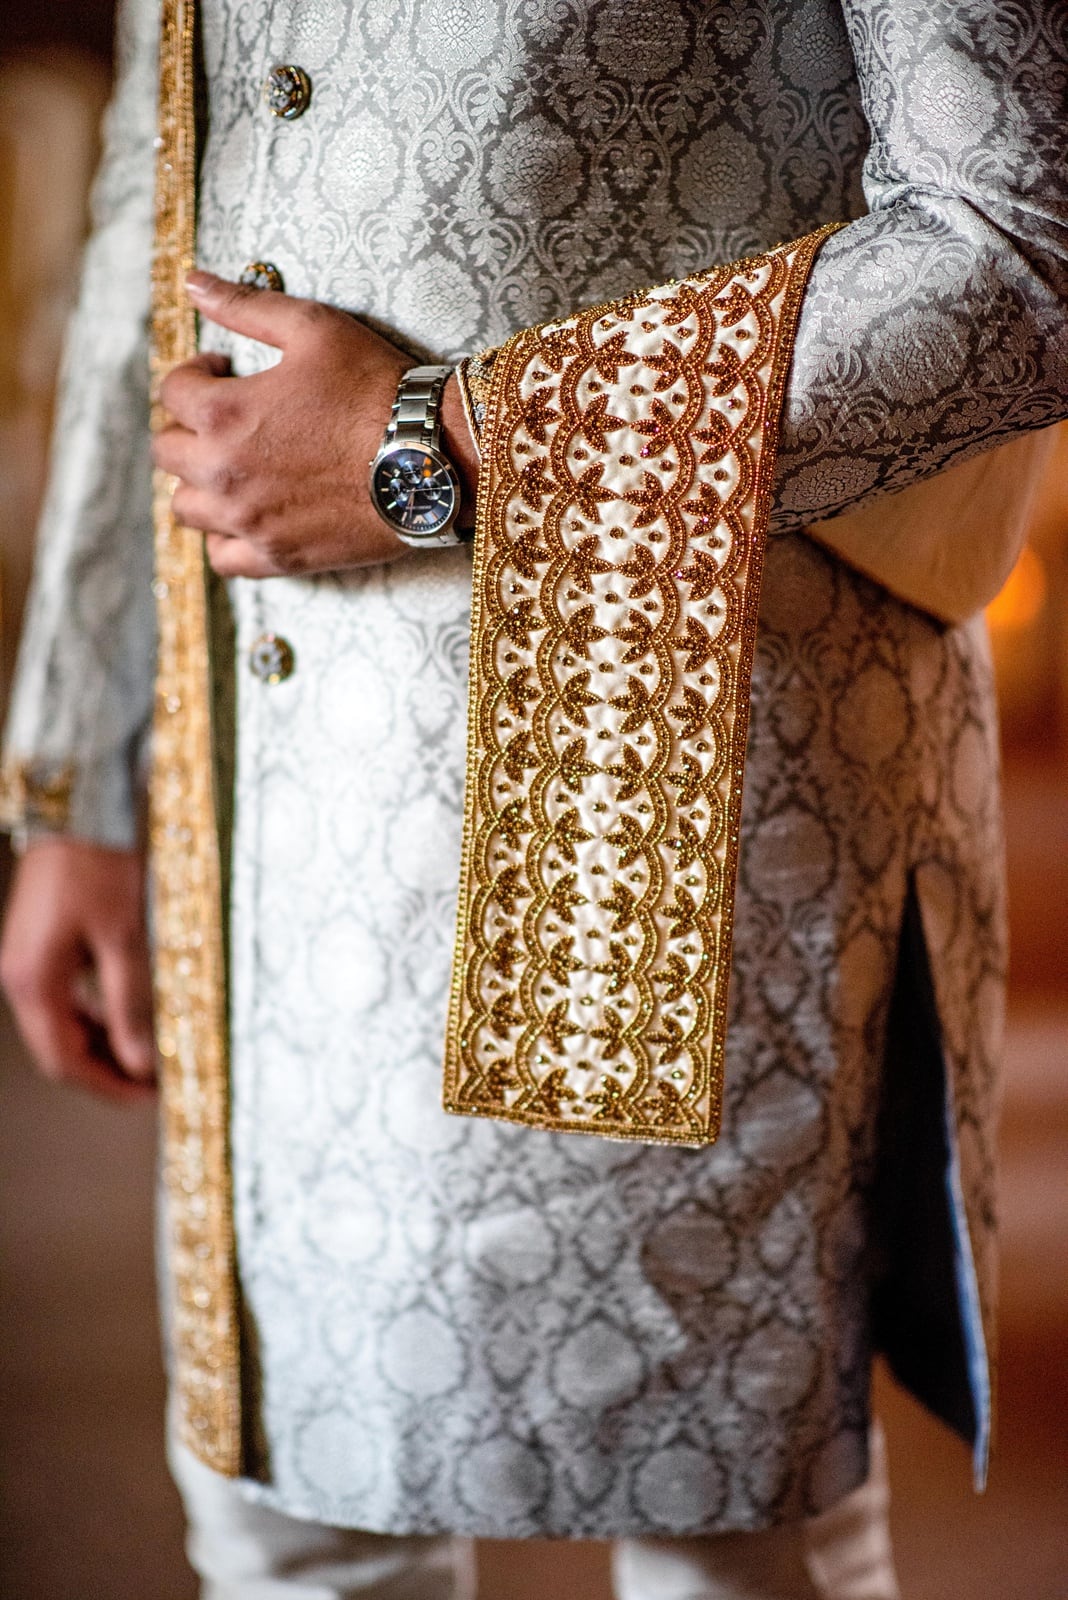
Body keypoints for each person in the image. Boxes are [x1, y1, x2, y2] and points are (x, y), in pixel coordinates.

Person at [2, 2, 1066, 1597]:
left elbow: (1020, 249)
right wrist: (81, 773)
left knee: (724, 1527)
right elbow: (157, 189)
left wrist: (445, 442)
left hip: (677, 747)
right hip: (253, 772)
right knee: (290, 1527)